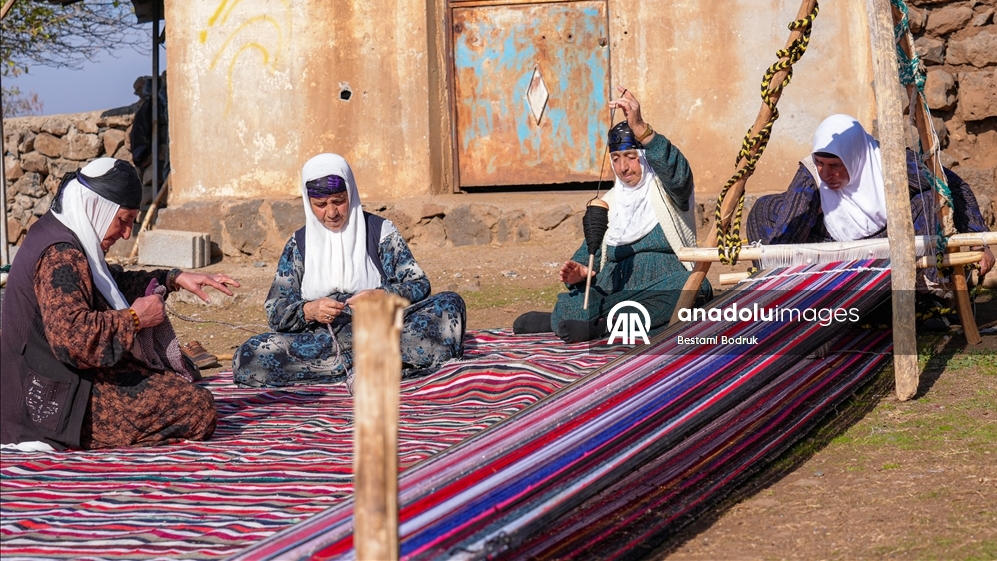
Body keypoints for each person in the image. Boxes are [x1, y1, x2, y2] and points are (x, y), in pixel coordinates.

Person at [0, 159, 239, 451]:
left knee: (180, 381)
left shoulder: (61, 234)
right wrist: (135, 319)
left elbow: (111, 282)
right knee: (197, 408)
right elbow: (72, 339)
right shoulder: (60, 254)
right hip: (51, 403)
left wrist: (174, 277)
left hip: (61, 382)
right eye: (123, 220)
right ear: (98, 207)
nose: (126, 234)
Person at [232, 153, 466, 387]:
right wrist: (309, 310)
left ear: (350, 193)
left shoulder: (380, 230)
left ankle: (355, 367)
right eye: (321, 205)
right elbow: (276, 309)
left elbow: (418, 283)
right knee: (249, 356)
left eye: (338, 201)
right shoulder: (299, 244)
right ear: (308, 202)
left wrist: (383, 296)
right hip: (322, 341)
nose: (331, 213)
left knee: (449, 305)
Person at [514, 88, 712, 343]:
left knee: (692, 287)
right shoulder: (608, 203)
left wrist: (641, 128)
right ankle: (580, 319)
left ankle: (599, 324)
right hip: (616, 283)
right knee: (581, 300)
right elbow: (591, 254)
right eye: (616, 159)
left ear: (644, 158)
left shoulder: (669, 191)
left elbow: (679, 174)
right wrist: (580, 272)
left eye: (631, 157)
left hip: (663, 279)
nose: (623, 167)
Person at [747, 114, 995, 278]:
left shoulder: (891, 164)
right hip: (834, 250)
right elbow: (787, 234)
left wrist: (977, 241)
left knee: (931, 200)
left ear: (855, 158)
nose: (826, 173)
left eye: (835, 165)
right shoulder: (811, 176)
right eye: (820, 163)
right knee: (765, 207)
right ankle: (793, 293)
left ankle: (923, 293)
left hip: (891, 247)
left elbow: (951, 184)